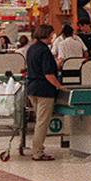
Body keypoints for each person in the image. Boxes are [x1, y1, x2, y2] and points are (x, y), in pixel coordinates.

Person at [25, 24, 65, 161]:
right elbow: (48, 74)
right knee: (42, 122)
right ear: (47, 35)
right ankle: (37, 152)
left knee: (39, 121)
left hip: (32, 88)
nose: (53, 37)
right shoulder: (44, 51)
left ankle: (37, 149)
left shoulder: (31, 49)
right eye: (52, 34)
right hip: (44, 90)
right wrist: (59, 86)